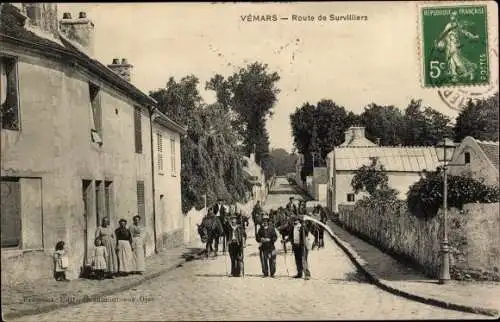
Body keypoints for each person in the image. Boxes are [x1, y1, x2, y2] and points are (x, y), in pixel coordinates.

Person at [256, 214, 278, 278]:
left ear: (268, 221)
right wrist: (261, 239)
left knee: (272, 260)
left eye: (266, 220)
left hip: (271, 247)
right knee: (264, 261)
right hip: (263, 247)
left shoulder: (272, 228)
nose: (265, 222)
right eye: (263, 220)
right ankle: (265, 273)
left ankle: (272, 273)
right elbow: (257, 238)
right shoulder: (260, 229)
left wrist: (270, 240)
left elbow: (275, 237)